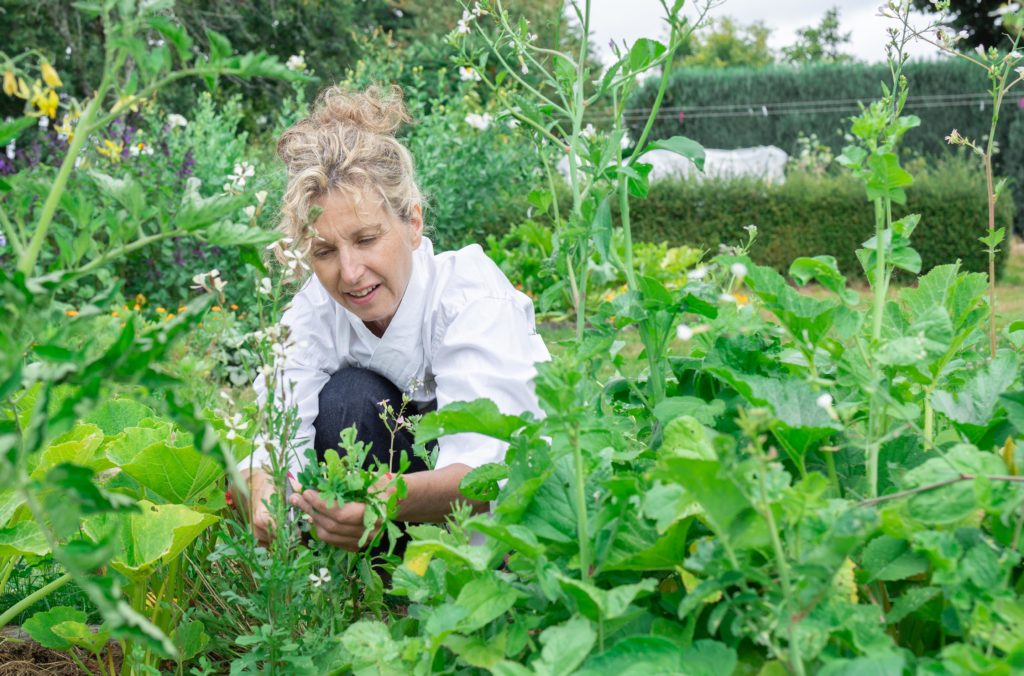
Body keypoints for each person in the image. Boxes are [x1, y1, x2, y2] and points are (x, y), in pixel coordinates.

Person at [238, 84, 548, 551]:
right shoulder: (314, 309)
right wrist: (265, 494)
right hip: (377, 513)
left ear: (413, 223)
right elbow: (272, 434)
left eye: (366, 239)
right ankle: (374, 577)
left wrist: (390, 498)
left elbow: (491, 473)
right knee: (349, 398)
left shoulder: (470, 298)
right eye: (324, 250)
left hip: (502, 524)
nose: (350, 273)